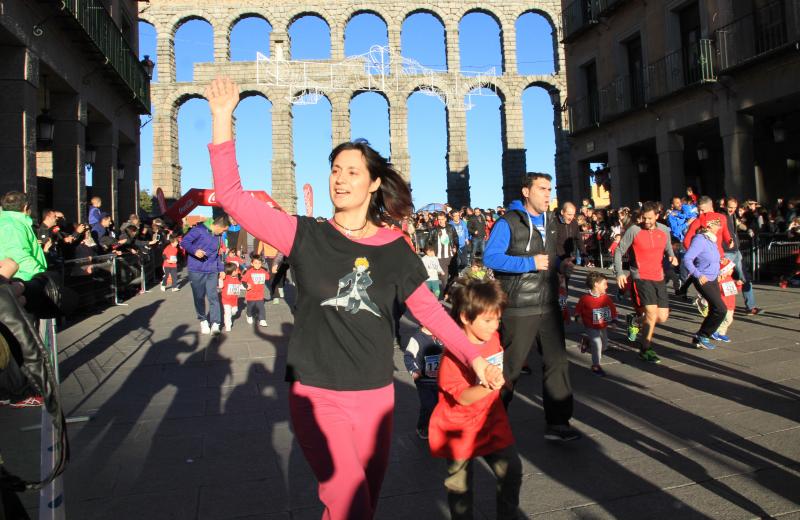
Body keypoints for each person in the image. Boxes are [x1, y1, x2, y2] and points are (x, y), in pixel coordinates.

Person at [205, 77, 502, 520]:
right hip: (316, 392)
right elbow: (231, 197)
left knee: (364, 502)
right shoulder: (305, 234)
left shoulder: (396, 248)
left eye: (351, 171)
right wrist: (221, 117)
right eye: (334, 170)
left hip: (376, 397)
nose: (340, 180)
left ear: (373, 183)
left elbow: (428, 311)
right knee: (348, 500)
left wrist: (474, 357)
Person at [483, 172, 580, 442]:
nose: (548, 194)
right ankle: (490, 422)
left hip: (547, 303)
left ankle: (558, 423)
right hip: (519, 305)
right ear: (526, 192)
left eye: (550, 189)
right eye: (542, 189)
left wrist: (562, 265)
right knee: (511, 368)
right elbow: (491, 258)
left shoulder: (550, 221)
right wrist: (529, 263)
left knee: (557, 362)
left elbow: (549, 257)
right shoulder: (508, 222)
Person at [428, 277, 521, 520]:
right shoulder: (451, 358)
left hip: (491, 420)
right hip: (459, 427)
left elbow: (496, 364)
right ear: (466, 318)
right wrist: (489, 386)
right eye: (488, 320)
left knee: (511, 470)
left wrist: (502, 381)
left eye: (498, 319)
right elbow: (464, 398)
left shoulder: (493, 338)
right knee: (459, 486)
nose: (495, 326)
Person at [614, 201, 678, 363]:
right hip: (641, 276)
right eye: (644, 218)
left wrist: (672, 255)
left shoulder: (664, 230)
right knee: (651, 314)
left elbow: (668, 246)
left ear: (657, 216)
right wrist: (620, 272)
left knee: (662, 317)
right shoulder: (634, 230)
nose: (647, 221)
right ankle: (645, 349)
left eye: (650, 218)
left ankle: (635, 320)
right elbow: (619, 250)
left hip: (658, 276)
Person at [682, 218, 728, 350]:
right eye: (717, 224)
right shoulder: (700, 240)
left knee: (715, 309)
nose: (719, 227)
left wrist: (719, 269)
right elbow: (687, 258)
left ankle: (698, 338)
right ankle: (703, 335)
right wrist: (698, 274)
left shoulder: (712, 240)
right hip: (703, 279)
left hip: (713, 278)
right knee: (721, 309)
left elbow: (710, 259)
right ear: (708, 226)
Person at [181, 215, 230, 335]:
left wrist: (221, 269)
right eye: (224, 230)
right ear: (218, 226)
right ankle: (203, 320)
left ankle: (215, 323)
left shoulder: (218, 237)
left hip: (212, 270)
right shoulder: (199, 230)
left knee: (213, 296)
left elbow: (216, 255)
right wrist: (194, 251)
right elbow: (184, 242)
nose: (224, 232)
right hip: (196, 270)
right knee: (199, 297)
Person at [574, 271, 618, 376]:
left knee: (604, 346)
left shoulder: (606, 298)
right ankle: (596, 366)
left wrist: (614, 321)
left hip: (602, 326)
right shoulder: (585, 299)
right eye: (605, 284)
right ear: (596, 285)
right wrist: (578, 317)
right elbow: (578, 310)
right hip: (590, 326)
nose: (607, 287)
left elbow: (613, 310)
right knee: (597, 344)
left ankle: (587, 341)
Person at [722, 198, 762, 315]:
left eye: (734, 208)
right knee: (724, 279)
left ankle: (750, 306)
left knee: (745, 278)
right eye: (730, 207)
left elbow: (738, 225)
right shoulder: (721, 215)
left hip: (736, 251)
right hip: (726, 251)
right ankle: (723, 306)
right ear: (725, 205)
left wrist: (748, 228)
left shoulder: (733, 215)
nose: (732, 210)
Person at [403, 325, 442, 439]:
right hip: (424, 381)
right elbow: (408, 356)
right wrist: (414, 370)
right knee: (429, 405)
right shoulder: (417, 338)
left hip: (440, 379)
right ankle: (422, 427)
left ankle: (437, 426)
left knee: (440, 404)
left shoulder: (441, 335)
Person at [0, 191, 47, 281]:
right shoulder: (13, 225)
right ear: (26, 207)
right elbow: (18, 255)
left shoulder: (8, 221)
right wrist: (40, 273)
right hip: (22, 278)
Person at [554, 201, 586, 293]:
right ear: (562, 212)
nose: (571, 217)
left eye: (573, 214)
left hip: (568, 257)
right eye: (569, 214)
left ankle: (563, 304)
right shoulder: (554, 223)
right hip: (557, 257)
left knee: (565, 283)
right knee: (558, 283)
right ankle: (557, 304)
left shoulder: (574, 223)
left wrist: (584, 253)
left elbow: (578, 239)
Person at [713, 257, 739, 342]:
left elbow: (733, 291)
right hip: (725, 303)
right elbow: (720, 290)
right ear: (725, 270)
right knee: (725, 319)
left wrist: (738, 285)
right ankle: (716, 331)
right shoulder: (721, 279)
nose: (732, 271)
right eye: (730, 269)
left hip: (730, 303)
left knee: (729, 320)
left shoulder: (730, 278)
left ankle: (721, 332)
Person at [241, 253, 269, 327]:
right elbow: (243, 281)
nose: (258, 265)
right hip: (251, 295)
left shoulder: (263, 271)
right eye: (256, 263)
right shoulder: (249, 272)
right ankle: (249, 315)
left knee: (261, 307)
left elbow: (268, 277)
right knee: (250, 307)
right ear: (252, 263)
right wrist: (247, 286)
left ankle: (262, 319)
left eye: (259, 263)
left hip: (260, 294)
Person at [220, 261, 243, 332]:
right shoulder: (225, 278)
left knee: (234, 311)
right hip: (226, 299)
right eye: (236, 270)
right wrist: (220, 279)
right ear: (231, 271)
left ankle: (228, 315)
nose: (237, 271)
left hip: (234, 300)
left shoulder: (236, 278)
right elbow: (221, 285)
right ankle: (228, 325)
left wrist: (246, 287)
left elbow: (239, 285)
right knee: (228, 312)